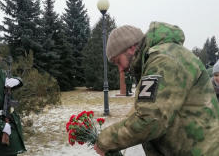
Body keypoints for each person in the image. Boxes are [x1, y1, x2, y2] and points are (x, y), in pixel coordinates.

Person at [93, 22, 219, 155]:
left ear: (130, 47)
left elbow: (149, 120)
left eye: (118, 61)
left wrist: (105, 141)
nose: (120, 69)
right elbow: (146, 109)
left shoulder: (163, 61)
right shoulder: (161, 57)